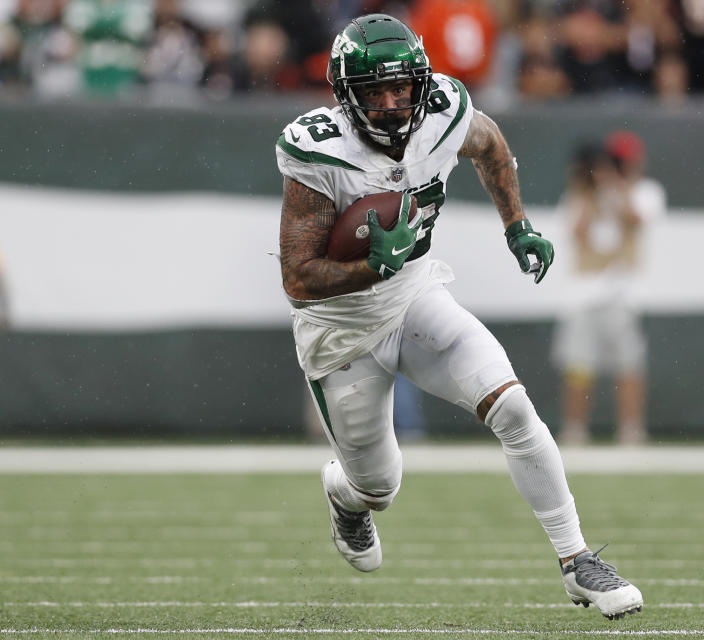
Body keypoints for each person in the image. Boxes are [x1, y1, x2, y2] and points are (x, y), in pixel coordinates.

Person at [274, 13, 643, 620]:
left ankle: (577, 561)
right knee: (378, 487)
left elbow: (491, 145)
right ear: (345, 94)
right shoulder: (319, 150)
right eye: (376, 92)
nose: (393, 104)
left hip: (415, 295)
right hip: (341, 329)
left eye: (402, 88)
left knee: (514, 407)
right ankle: (347, 495)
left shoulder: (443, 107)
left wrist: (517, 224)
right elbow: (298, 278)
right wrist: (371, 266)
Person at [552, 134, 665, 446]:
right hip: (583, 294)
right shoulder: (578, 195)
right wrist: (590, 190)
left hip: (623, 292)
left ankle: (631, 430)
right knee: (578, 364)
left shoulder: (646, 192)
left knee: (628, 365)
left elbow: (636, 218)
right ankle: (575, 430)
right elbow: (576, 232)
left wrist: (616, 185)